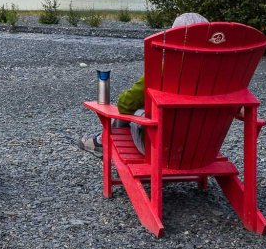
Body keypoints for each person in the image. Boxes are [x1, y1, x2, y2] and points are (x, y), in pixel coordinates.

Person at [78, 13, 208, 155]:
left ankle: (102, 140)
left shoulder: (163, 70)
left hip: (159, 150)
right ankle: (101, 139)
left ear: (174, 38)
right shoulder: (219, 75)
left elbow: (125, 105)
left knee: (138, 110)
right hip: (203, 148)